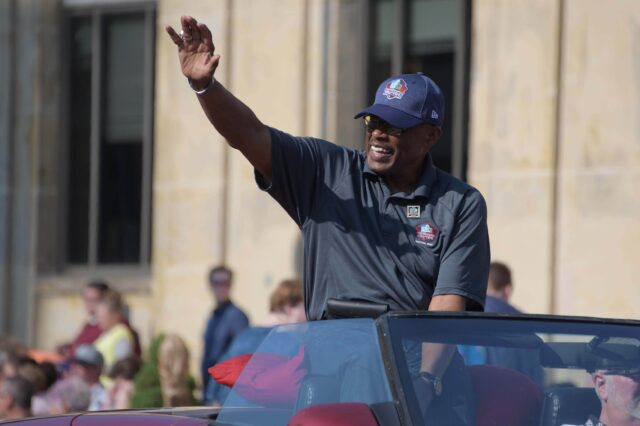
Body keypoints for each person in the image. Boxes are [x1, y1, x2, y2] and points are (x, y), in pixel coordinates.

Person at [166, 16, 490, 424]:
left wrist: (423, 384)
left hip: (419, 373)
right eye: (374, 122)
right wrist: (204, 86)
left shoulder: (460, 203)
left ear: (430, 136)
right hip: (333, 364)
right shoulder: (326, 171)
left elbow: (447, 304)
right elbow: (249, 135)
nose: (378, 134)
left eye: (396, 126)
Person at [204, 278, 306, 405]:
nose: (309, 316)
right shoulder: (295, 345)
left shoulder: (243, 337)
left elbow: (212, 391)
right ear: (289, 306)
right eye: (305, 307)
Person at [61, 280, 142, 359]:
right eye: (86, 299)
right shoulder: (91, 325)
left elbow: (123, 363)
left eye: (93, 300)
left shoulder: (121, 330)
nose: (89, 304)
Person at [201, 266, 249, 393]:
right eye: (217, 283)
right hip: (209, 390)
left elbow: (242, 358)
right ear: (210, 285)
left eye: (225, 283)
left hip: (224, 393)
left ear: (231, 285)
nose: (221, 287)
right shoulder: (213, 316)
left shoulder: (237, 316)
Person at [93, 290, 135, 375]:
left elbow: (123, 367)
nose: (98, 320)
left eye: (101, 316)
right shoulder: (106, 333)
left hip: (110, 386)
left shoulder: (121, 333)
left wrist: (98, 368)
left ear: (114, 314)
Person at [68, 344, 107, 411]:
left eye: (84, 365)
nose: (77, 368)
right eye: (77, 364)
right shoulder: (67, 390)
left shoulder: (105, 396)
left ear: (97, 369)